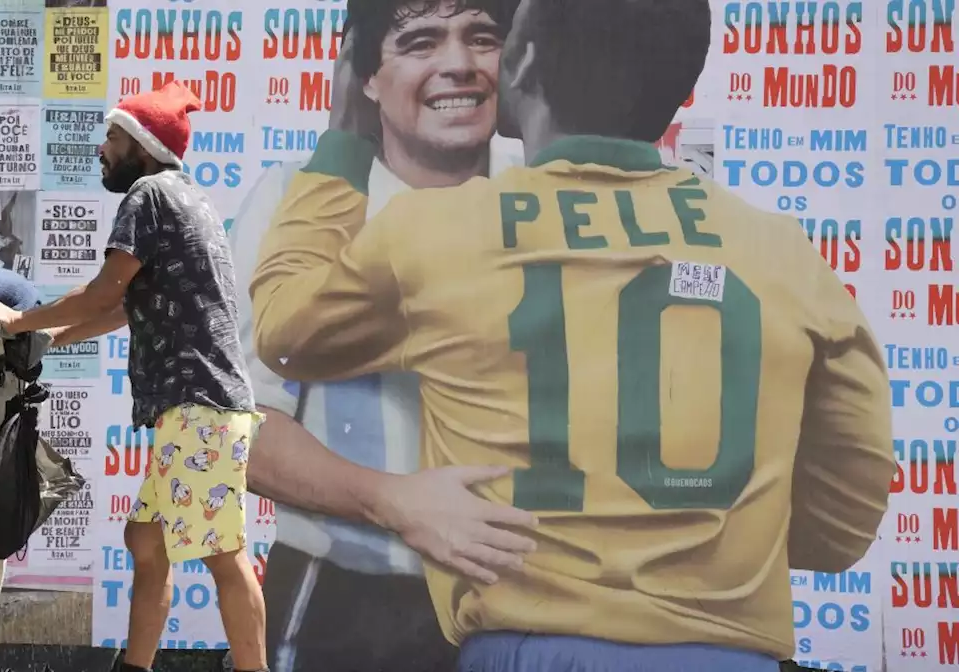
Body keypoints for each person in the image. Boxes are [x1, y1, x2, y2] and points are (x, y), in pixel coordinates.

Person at [249, 0, 895, 670]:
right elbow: (844, 521)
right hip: (727, 649)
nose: (462, 63)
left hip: (527, 643)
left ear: (520, 62)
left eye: (487, 36)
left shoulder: (437, 229)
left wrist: (344, 143)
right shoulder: (781, 250)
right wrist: (723, 548)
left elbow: (286, 331)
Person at [230, 2, 526, 670]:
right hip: (348, 603)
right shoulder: (291, 199)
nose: (459, 63)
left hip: (535, 603)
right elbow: (234, 428)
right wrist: (395, 503)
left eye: (482, 37)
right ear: (362, 76)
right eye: (420, 42)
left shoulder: (551, 193)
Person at [0, 81, 269, 672]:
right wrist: (50, 339)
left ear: (141, 145)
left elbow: (102, 292)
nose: (101, 149)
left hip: (197, 408)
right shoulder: (185, 196)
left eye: (112, 136)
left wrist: (15, 323)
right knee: (146, 543)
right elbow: (121, 309)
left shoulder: (147, 195)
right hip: (198, 408)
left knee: (222, 554)